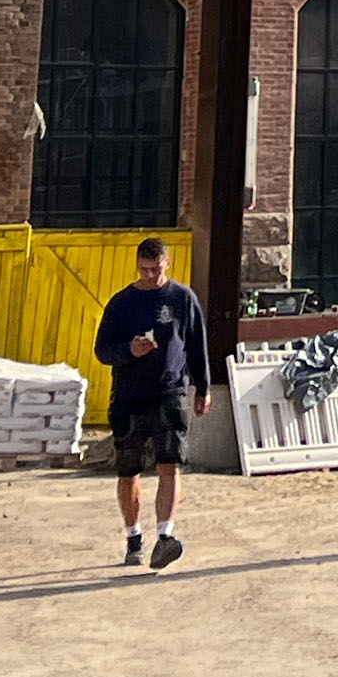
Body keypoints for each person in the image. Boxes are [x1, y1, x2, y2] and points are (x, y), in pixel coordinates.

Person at [93, 235, 211, 570]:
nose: (149, 276)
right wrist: (129, 350)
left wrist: (203, 388)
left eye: (155, 269)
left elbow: (196, 345)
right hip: (129, 396)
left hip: (169, 393)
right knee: (129, 469)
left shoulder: (182, 299)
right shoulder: (121, 304)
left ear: (167, 264)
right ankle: (133, 538)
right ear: (136, 266)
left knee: (169, 464)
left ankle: (165, 536)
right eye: (144, 270)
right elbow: (102, 350)